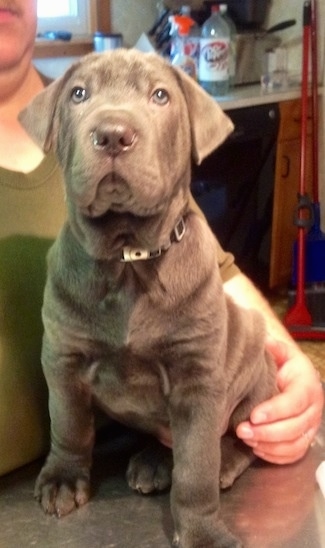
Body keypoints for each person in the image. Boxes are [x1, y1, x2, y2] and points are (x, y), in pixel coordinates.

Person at [0, 0, 323, 477]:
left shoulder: (81, 103)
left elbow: (214, 272)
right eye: (82, 97)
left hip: (150, 444)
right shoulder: (66, 112)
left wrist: (286, 366)